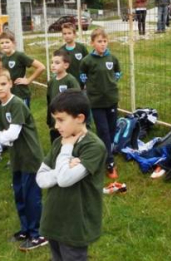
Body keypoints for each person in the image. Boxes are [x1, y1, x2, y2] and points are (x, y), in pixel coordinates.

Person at [37, 90, 107, 261]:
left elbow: (66, 180)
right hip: (54, 218)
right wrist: (63, 168)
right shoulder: (58, 142)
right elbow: (41, 179)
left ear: (80, 118)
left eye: (61, 119)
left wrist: (67, 150)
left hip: (75, 223)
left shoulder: (93, 146)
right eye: (55, 119)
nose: (56, 125)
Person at [0, 69, 47, 251]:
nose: (0, 88)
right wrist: (2, 136)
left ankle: (39, 234)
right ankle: (26, 229)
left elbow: (11, 135)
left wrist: (2, 135)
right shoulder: (0, 109)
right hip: (17, 158)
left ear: (10, 84)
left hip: (30, 157)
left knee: (32, 197)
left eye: (3, 84)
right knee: (20, 194)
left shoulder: (17, 104)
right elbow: (1, 137)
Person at [79, 28, 121, 179]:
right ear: (92, 43)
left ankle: (101, 151)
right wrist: (92, 87)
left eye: (105, 41)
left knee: (110, 130)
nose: (103, 44)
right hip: (96, 101)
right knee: (103, 130)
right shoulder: (87, 61)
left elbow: (117, 72)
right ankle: (110, 163)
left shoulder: (112, 58)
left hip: (111, 99)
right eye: (99, 41)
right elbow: (83, 75)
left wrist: (110, 84)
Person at [0, 31, 45, 108]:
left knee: (23, 118)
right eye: (2, 43)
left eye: (7, 42)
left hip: (21, 94)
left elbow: (41, 67)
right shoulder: (3, 58)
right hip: (9, 94)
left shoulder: (19, 55)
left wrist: (28, 80)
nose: (4, 45)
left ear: (13, 43)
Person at [47, 50, 80, 144]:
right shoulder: (52, 82)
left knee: (69, 143)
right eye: (52, 62)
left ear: (65, 65)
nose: (53, 65)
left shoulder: (70, 80)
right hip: (55, 121)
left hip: (68, 119)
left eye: (57, 63)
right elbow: (49, 101)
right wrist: (49, 120)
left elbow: (77, 99)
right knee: (56, 143)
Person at [59, 23, 88, 89]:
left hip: (82, 84)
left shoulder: (81, 48)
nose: (67, 36)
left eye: (69, 33)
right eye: (64, 34)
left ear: (74, 34)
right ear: (62, 35)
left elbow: (88, 65)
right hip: (68, 85)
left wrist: (87, 81)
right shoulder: (61, 51)